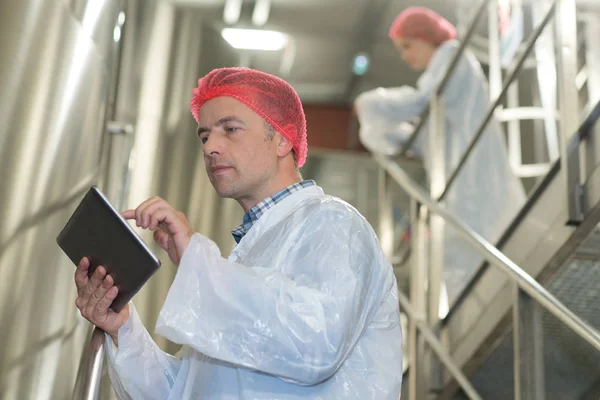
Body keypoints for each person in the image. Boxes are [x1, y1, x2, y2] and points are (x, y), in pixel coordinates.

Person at [73, 67, 403, 399]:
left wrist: (197, 260)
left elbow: (315, 342)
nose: (210, 147)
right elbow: (185, 392)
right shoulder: (249, 256)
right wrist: (122, 328)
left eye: (230, 129)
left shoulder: (334, 224)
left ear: (283, 138)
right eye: (204, 136)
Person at [354, 7, 527, 302]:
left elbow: (420, 102)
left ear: (427, 37)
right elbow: (419, 138)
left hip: (472, 182)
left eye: (408, 45)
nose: (405, 56)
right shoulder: (442, 88)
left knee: (474, 257)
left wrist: (369, 104)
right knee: (472, 258)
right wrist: (375, 133)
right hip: (463, 184)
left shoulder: (450, 55)